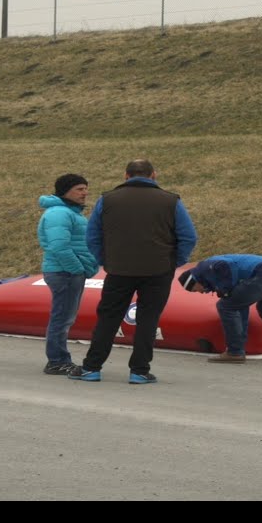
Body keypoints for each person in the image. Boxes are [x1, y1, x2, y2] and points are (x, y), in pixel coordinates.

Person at [69, 159, 197, 385]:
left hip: (119, 270)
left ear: (126, 176)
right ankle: (139, 370)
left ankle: (92, 367)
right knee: (148, 319)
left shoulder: (107, 199)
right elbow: (188, 237)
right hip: (158, 270)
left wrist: (105, 260)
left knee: (108, 318)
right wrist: (174, 261)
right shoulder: (171, 201)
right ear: (153, 175)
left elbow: (92, 236)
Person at [177, 254, 262, 363]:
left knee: (225, 306)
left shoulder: (204, 267)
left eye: (195, 290)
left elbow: (226, 264)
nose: (200, 292)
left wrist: (226, 289)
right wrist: (227, 290)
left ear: (194, 281)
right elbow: (241, 300)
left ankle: (234, 352)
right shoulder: (211, 273)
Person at [37, 173, 99, 375]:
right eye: (79, 189)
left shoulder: (70, 212)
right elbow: (59, 246)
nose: (85, 193)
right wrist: (77, 268)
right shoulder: (59, 213)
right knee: (62, 318)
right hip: (64, 272)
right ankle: (57, 361)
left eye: (85, 188)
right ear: (66, 191)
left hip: (67, 272)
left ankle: (58, 358)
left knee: (64, 317)